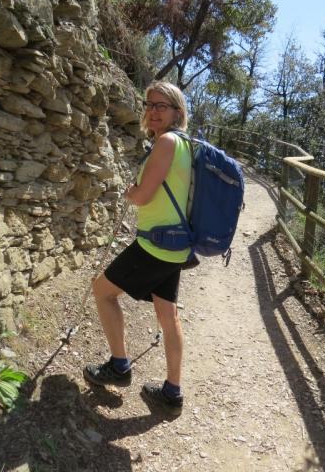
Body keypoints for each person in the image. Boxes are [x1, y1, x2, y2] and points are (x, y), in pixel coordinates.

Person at [83, 81, 192, 416]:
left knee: (102, 291)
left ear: (177, 111)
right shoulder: (186, 145)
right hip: (176, 244)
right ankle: (172, 392)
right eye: (149, 104)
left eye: (162, 105)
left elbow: (143, 196)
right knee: (168, 315)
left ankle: (119, 366)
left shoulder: (167, 143)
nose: (153, 111)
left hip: (155, 244)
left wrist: (131, 192)